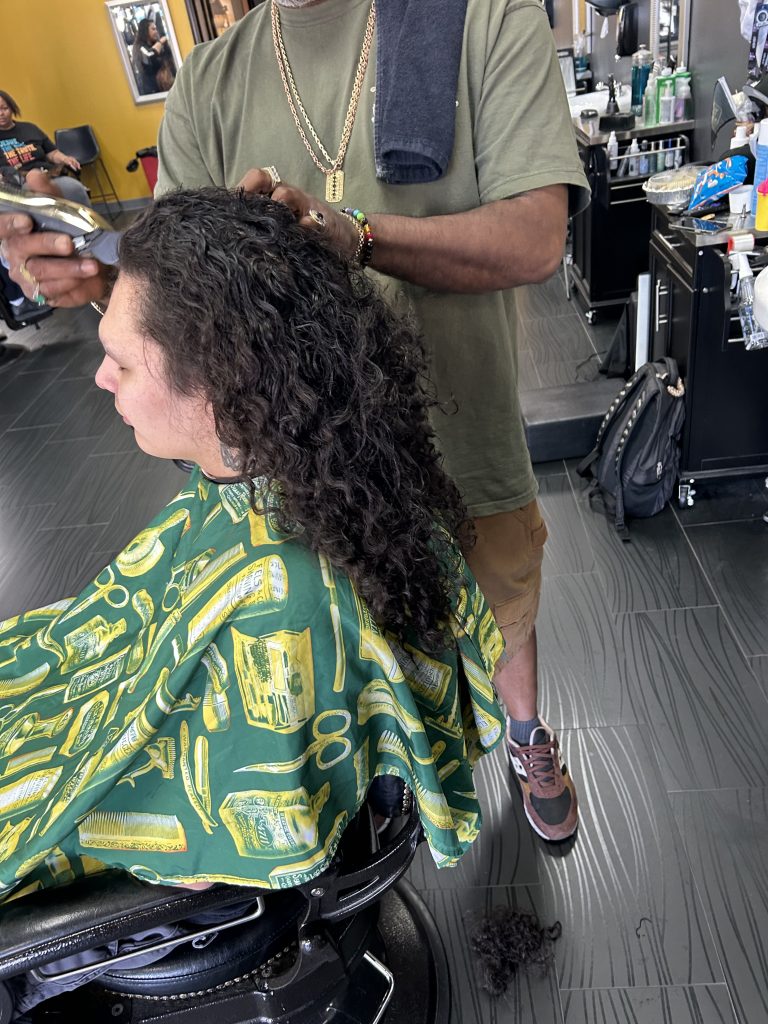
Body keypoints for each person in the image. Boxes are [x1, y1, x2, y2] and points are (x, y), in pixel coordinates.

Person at [0, 0, 590, 842]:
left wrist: (358, 236)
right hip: (297, 473)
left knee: (503, 616)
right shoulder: (209, 77)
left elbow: (537, 241)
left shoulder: (482, 17)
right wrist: (90, 271)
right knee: (341, 664)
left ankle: (526, 738)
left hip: (462, 441)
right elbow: (179, 281)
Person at [0, 187, 504, 912]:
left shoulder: (282, 600)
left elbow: (208, 847)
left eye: (123, 363)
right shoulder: (310, 469)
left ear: (219, 385)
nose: (100, 377)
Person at [0, 90, 87, 205]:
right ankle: (65, 211)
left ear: (12, 108)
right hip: (17, 182)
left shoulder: (29, 128)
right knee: (34, 179)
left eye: (4, 108)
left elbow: (52, 153)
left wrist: (65, 159)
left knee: (74, 188)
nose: (1, 113)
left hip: (47, 173)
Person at [132, 18, 174, 96]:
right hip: (151, 92)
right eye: (153, 29)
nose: (156, 31)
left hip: (162, 88)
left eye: (156, 29)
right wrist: (160, 42)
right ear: (145, 31)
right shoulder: (139, 47)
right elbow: (150, 55)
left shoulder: (153, 44)